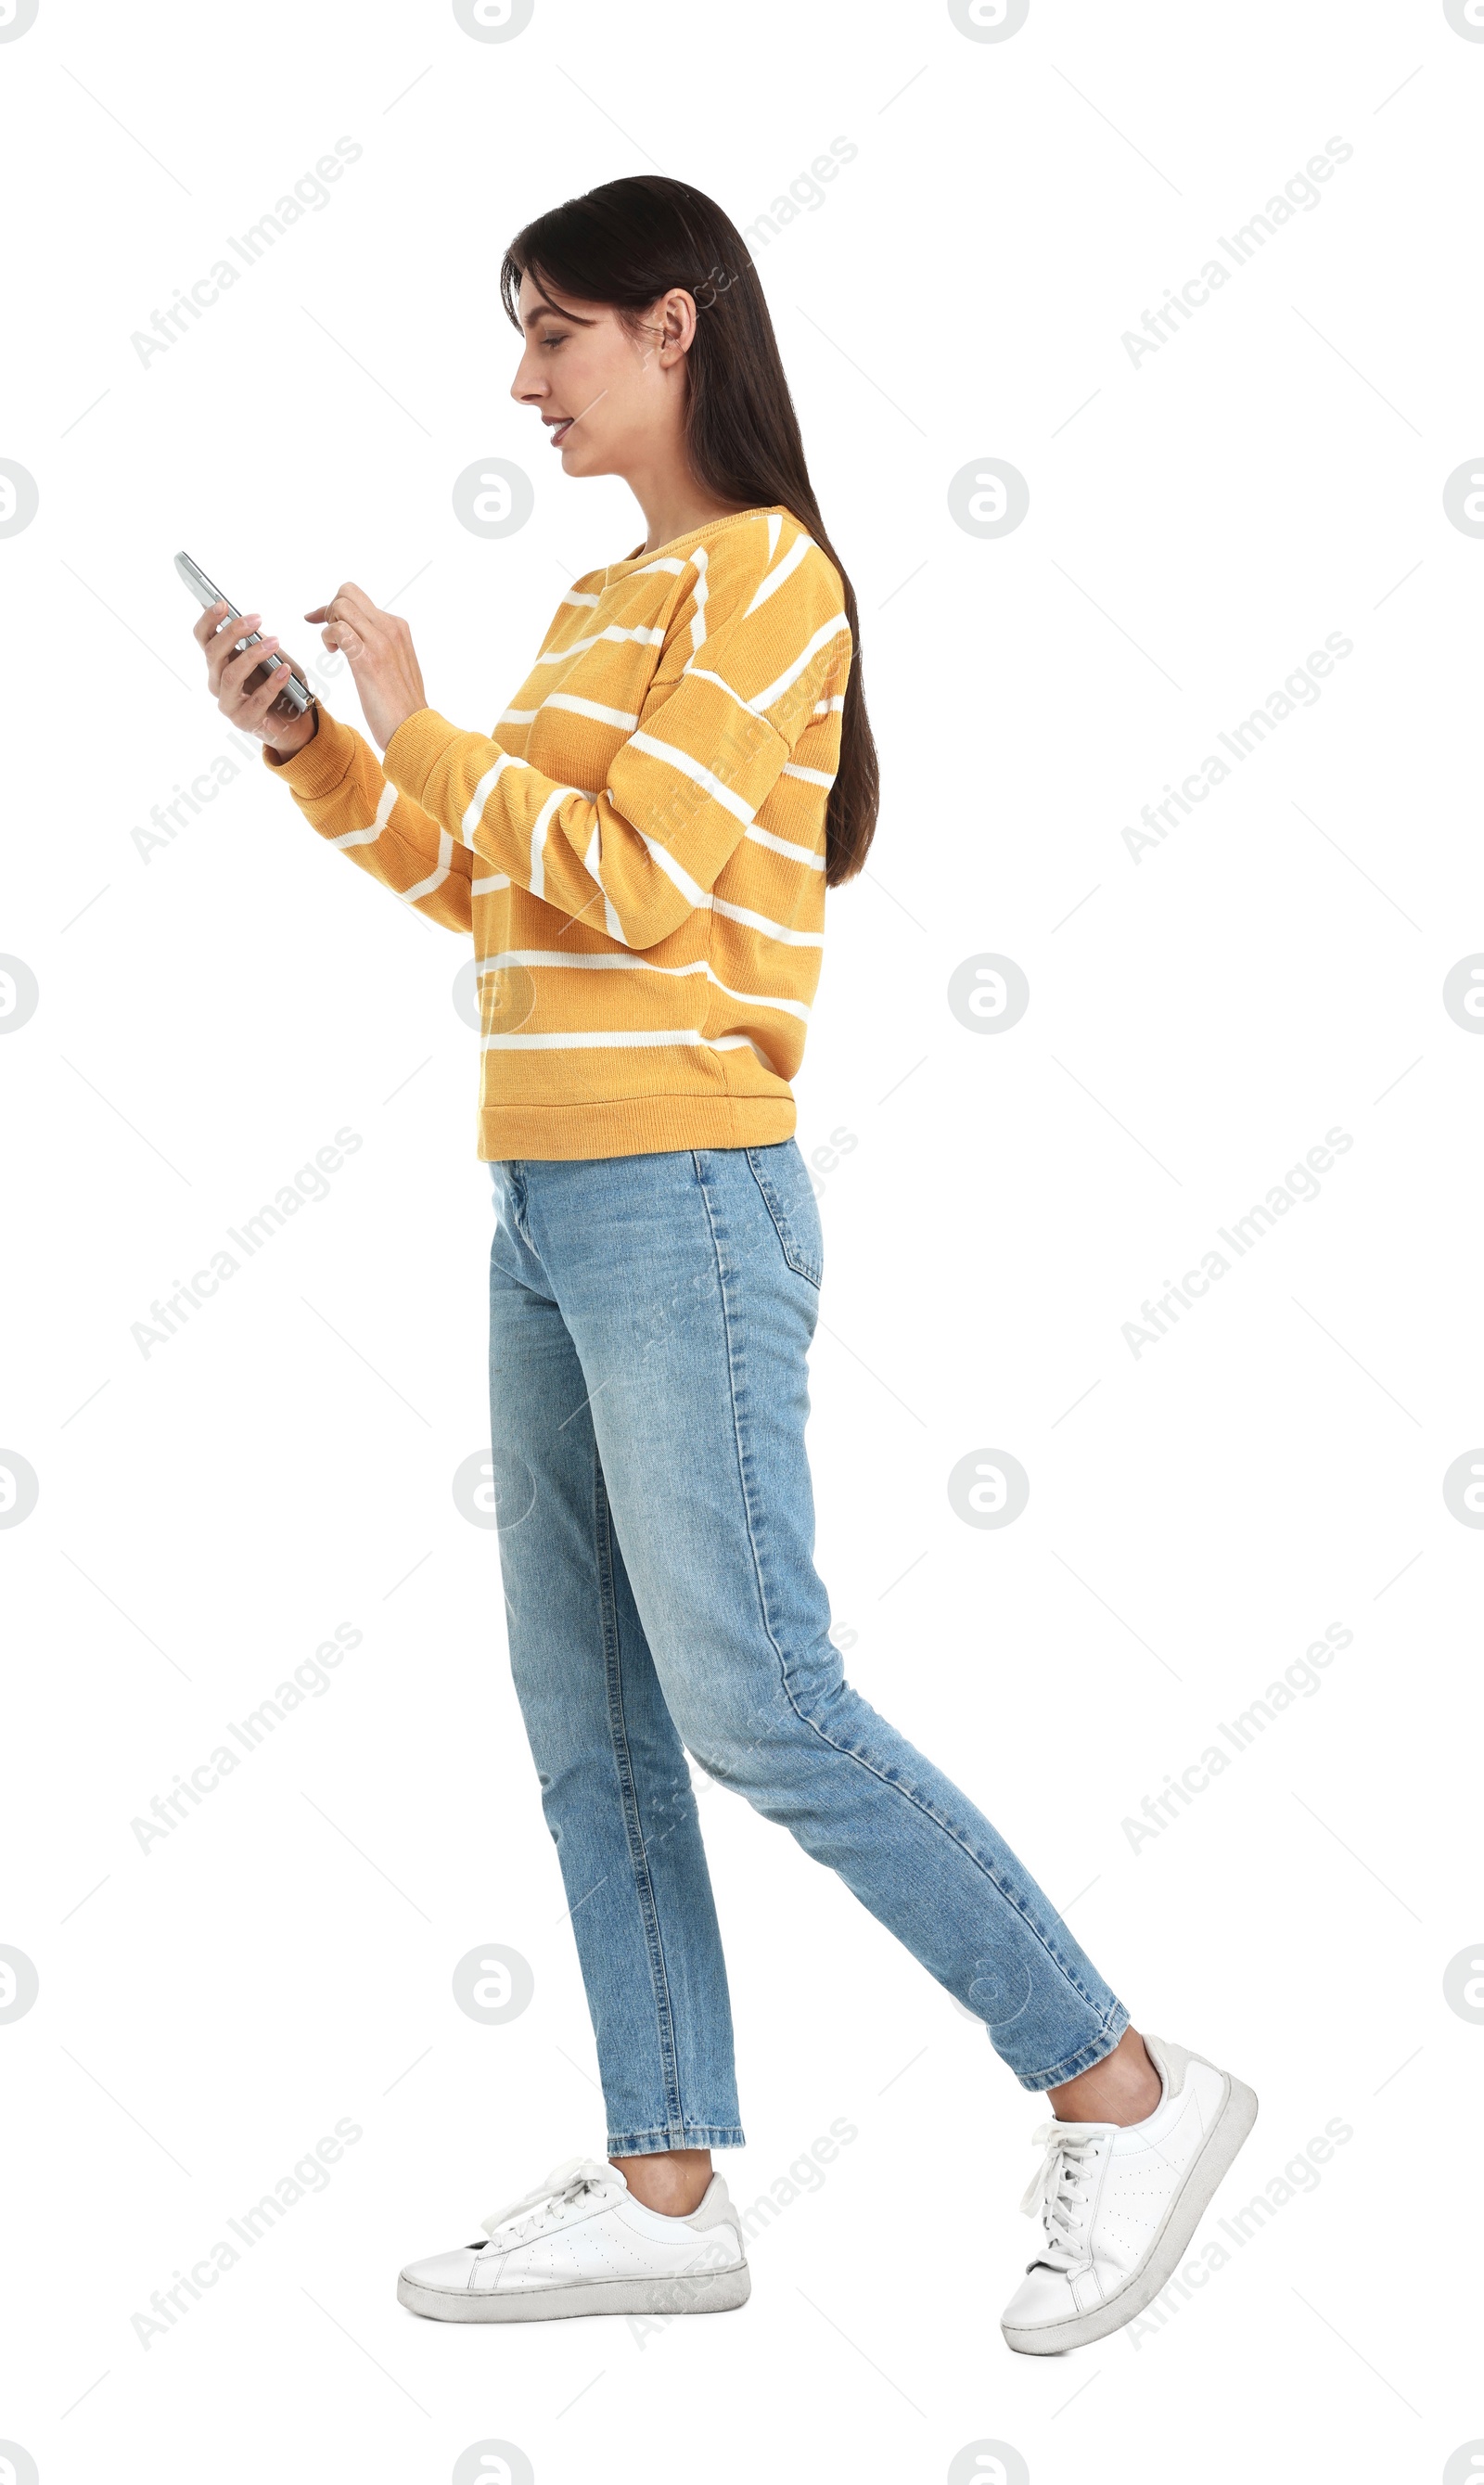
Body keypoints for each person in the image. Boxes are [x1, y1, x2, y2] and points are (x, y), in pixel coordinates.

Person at [192, 173, 1256, 2355]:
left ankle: (1118, 2081)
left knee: (758, 1696)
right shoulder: (604, 609)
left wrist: (413, 719)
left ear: (672, 332)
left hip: (681, 1185)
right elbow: (507, 894)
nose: (521, 382)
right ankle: (665, 2175)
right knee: (581, 1707)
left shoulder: (768, 582)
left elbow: (642, 868)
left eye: (553, 332)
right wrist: (321, 753)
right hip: (545, 1191)